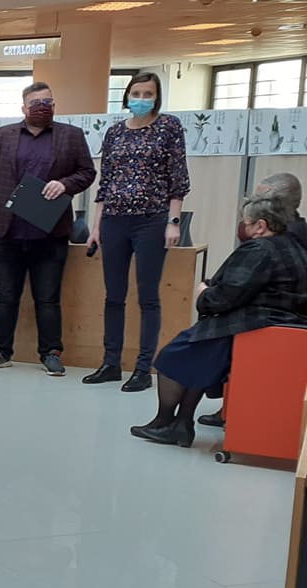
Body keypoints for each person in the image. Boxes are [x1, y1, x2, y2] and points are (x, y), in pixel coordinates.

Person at [131, 195, 307, 447]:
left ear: (260, 226)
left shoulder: (259, 250)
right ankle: (181, 424)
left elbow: (223, 298)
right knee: (203, 358)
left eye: (246, 222)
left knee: (173, 355)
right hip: (285, 327)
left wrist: (203, 294)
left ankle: (165, 421)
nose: (243, 226)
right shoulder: (295, 245)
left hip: (253, 325)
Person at [0, 81, 97, 376]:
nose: (42, 108)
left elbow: (87, 172)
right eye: (36, 103)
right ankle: (0, 351)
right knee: (6, 296)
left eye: (47, 102)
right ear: (23, 107)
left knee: (48, 298)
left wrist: (65, 184)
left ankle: (51, 353)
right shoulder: (0, 137)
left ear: (54, 105)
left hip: (50, 233)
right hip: (6, 233)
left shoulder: (71, 136)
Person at [85, 72, 191, 393]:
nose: (141, 99)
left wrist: (174, 221)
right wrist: (96, 226)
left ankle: (144, 368)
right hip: (114, 219)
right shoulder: (115, 132)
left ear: (157, 98)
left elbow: (178, 179)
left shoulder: (169, 127)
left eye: (148, 94)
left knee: (148, 296)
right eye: (136, 93)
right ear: (127, 95)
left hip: (152, 219)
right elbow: (105, 182)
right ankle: (111, 363)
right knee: (114, 295)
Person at [199, 172, 305, 429]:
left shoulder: (276, 241)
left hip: (271, 315)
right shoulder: (295, 231)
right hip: (281, 310)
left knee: (199, 339)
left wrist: (208, 293)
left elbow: (242, 286)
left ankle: (224, 409)